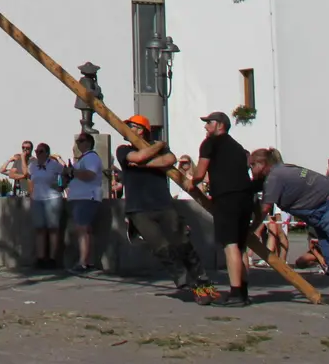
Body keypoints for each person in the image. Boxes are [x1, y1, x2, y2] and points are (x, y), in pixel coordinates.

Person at [248, 149, 329, 309]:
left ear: (262, 164)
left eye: (251, 166)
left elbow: (264, 209)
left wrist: (251, 229)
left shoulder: (275, 177)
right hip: (322, 210)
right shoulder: (280, 171)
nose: (251, 170)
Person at [116, 115, 215, 303]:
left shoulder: (161, 148)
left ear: (144, 130)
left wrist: (146, 162)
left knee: (182, 243)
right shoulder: (123, 150)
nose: (131, 130)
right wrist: (154, 151)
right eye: (129, 126)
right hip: (138, 209)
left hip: (163, 203)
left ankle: (202, 279)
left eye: (135, 127)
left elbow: (169, 160)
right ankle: (186, 282)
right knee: (161, 247)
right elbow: (139, 156)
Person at [181, 111, 255, 307]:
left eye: (208, 123)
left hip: (227, 198)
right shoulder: (237, 147)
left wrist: (192, 181)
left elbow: (201, 171)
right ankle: (243, 290)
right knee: (240, 246)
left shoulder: (210, 144)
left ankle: (236, 293)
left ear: (220, 124)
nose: (205, 127)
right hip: (245, 197)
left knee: (230, 244)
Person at [14, 142, 64, 269]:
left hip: (52, 198)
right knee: (40, 229)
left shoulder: (54, 165)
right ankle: (41, 258)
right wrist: (23, 159)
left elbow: (66, 173)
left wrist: (61, 186)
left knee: (53, 229)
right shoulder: (33, 165)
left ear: (47, 153)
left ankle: (52, 258)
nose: (38, 153)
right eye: (36, 151)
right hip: (37, 198)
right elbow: (28, 177)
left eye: (41, 151)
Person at [65, 132, 105, 274]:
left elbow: (90, 175)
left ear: (88, 142)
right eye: (77, 141)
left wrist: (73, 172)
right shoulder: (83, 158)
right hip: (81, 197)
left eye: (81, 141)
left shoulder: (91, 157)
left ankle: (83, 262)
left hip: (87, 197)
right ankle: (88, 261)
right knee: (84, 229)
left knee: (82, 229)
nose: (78, 143)